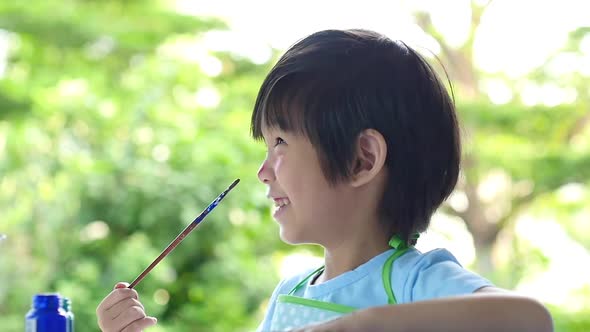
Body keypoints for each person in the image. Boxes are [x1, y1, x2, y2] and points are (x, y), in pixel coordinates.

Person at [96, 29, 553, 332]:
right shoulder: (288, 296)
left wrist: (361, 324)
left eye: (280, 143)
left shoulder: (414, 283)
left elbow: (530, 319)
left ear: (361, 159)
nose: (263, 170)